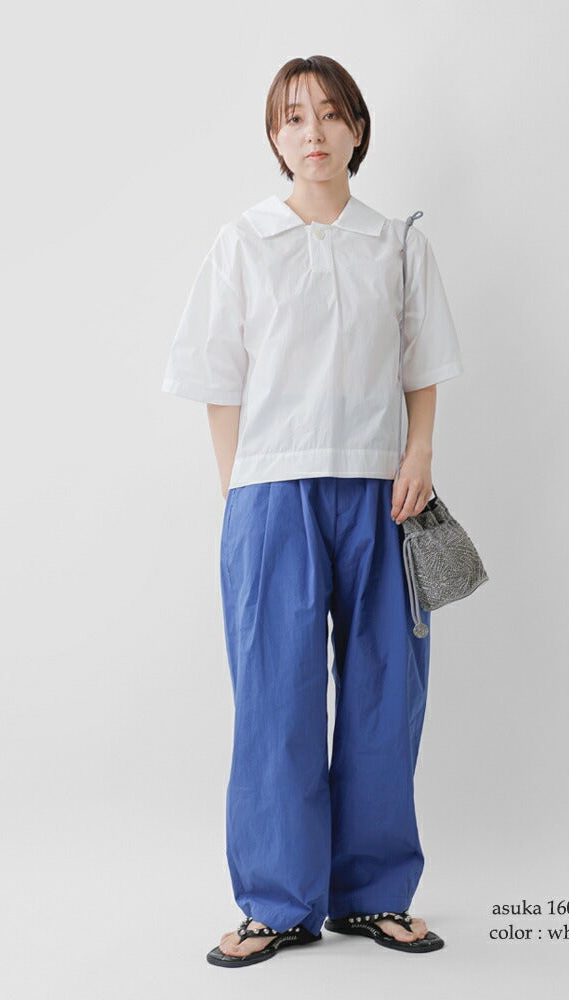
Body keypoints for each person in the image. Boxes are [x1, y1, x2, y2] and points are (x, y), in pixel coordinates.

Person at [161, 55, 463, 968]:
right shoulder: (243, 242)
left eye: (331, 114)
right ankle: (277, 903)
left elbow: (421, 364)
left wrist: (420, 453)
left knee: (385, 692)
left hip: (382, 490)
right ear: (274, 136)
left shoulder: (396, 243)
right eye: (294, 117)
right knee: (274, 699)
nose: (314, 132)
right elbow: (217, 379)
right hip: (271, 494)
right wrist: (237, 493)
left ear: (358, 130)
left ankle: (372, 896)